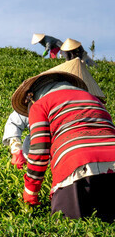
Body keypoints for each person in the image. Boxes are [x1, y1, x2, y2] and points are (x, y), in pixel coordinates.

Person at [11, 58, 115, 220]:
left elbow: (39, 150)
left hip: (77, 167)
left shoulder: (41, 104)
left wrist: (30, 192)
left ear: (32, 96)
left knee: (67, 228)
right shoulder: (95, 100)